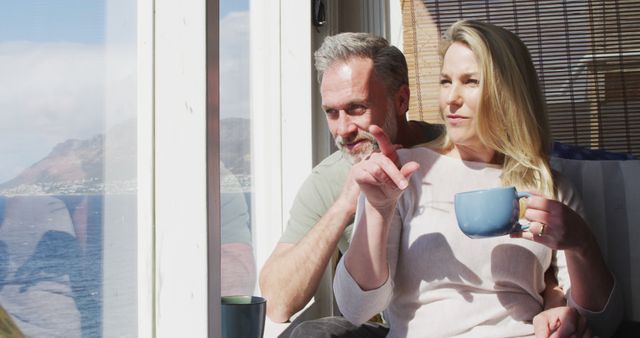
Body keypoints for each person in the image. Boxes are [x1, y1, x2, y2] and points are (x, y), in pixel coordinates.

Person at [333, 20, 623, 338]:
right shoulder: (405, 171)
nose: (451, 98)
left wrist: (582, 244)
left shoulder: (548, 186)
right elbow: (356, 309)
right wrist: (377, 209)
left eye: (470, 82)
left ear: (509, 92)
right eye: (446, 81)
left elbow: (602, 322)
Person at [259, 32, 444, 324]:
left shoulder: (458, 150)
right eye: (332, 113)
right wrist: (345, 202)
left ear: (401, 99)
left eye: (356, 108)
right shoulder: (330, 178)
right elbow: (278, 302)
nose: (343, 129)